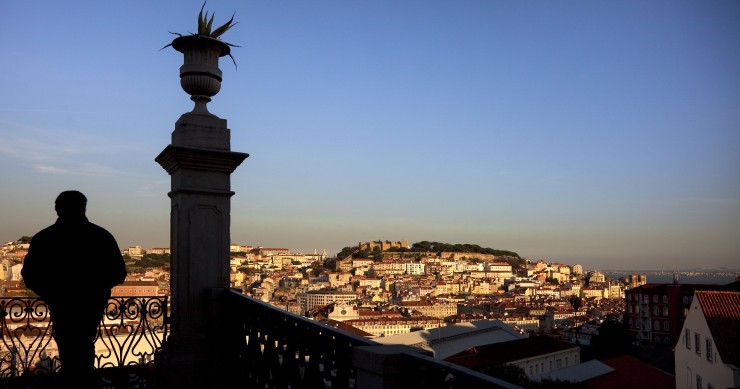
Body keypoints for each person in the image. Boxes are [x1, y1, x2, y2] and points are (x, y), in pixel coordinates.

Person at [22, 190, 127, 388]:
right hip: (92, 303)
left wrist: (51, 293)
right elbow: (119, 273)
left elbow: (30, 276)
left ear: (57, 209)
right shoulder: (102, 236)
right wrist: (96, 288)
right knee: (85, 345)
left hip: (60, 303)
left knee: (67, 346)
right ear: (84, 208)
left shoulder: (43, 238)